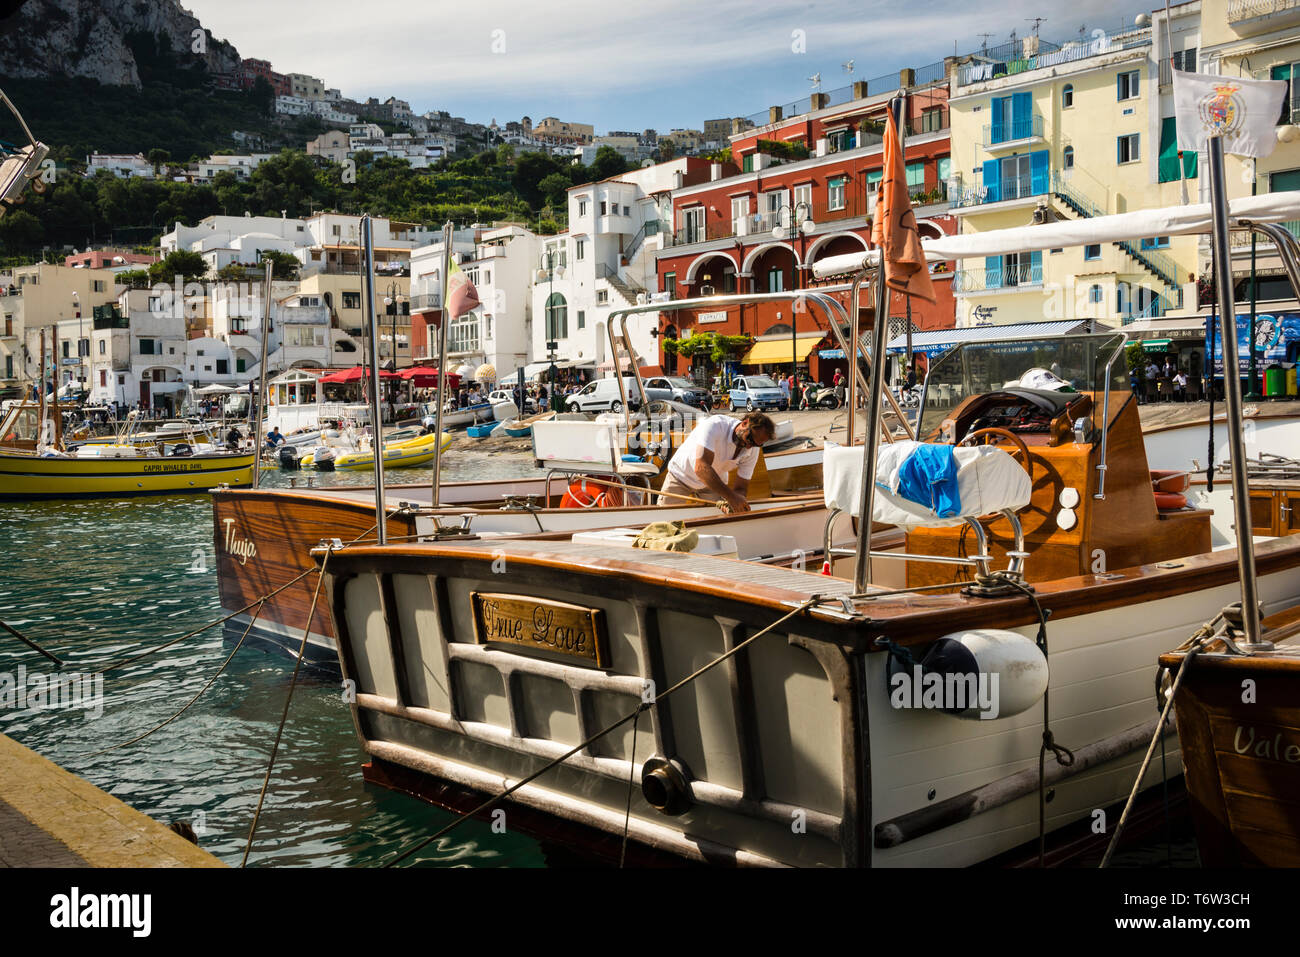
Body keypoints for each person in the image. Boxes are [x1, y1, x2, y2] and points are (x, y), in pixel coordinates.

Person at [659, 412, 775, 512]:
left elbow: (741, 487)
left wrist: (738, 500)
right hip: (680, 476)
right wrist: (731, 497)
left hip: (713, 484)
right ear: (745, 423)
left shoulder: (752, 449)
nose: (749, 446)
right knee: (663, 522)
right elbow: (701, 468)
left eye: (756, 444)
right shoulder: (715, 425)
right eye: (749, 439)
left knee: (717, 519)